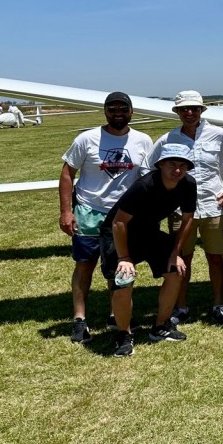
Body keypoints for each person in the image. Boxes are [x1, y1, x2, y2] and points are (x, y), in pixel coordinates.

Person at [60, 91, 153, 344]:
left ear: (131, 111)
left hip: (124, 215)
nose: (118, 113)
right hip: (90, 210)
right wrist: (66, 211)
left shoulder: (143, 140)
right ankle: (79, 319)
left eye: (123, 109)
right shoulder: (86, 139)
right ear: (105, 112)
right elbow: (67, 173)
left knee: (120, 264)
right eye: (112, 109)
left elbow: (147, 177)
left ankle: (116, 314)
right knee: (85, 264)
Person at [148, 90, 223, 327]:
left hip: (214, 206)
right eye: (184, 109)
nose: (189, 113)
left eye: (194, 108)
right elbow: (149, 168)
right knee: (181, 258)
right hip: (180, 210)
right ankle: (181, 307)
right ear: (177, 112)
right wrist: (164, 199)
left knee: (215, 258)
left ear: (201, 110)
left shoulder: (219, 134)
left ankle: (218, 305)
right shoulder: (168, 139)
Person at [102, 143, 198, 357]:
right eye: (172, 164)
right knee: (123, 279)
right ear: (161, 165)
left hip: (149, 231)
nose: (177, 170)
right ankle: (124, 334)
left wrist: (175, 253)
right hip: (120, 232)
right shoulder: (144, 186)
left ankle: (160, 326)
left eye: (183, 165)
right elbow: (118, 222)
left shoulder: (189, 184)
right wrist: (124, 257)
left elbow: (188, 219)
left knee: (176, 271)